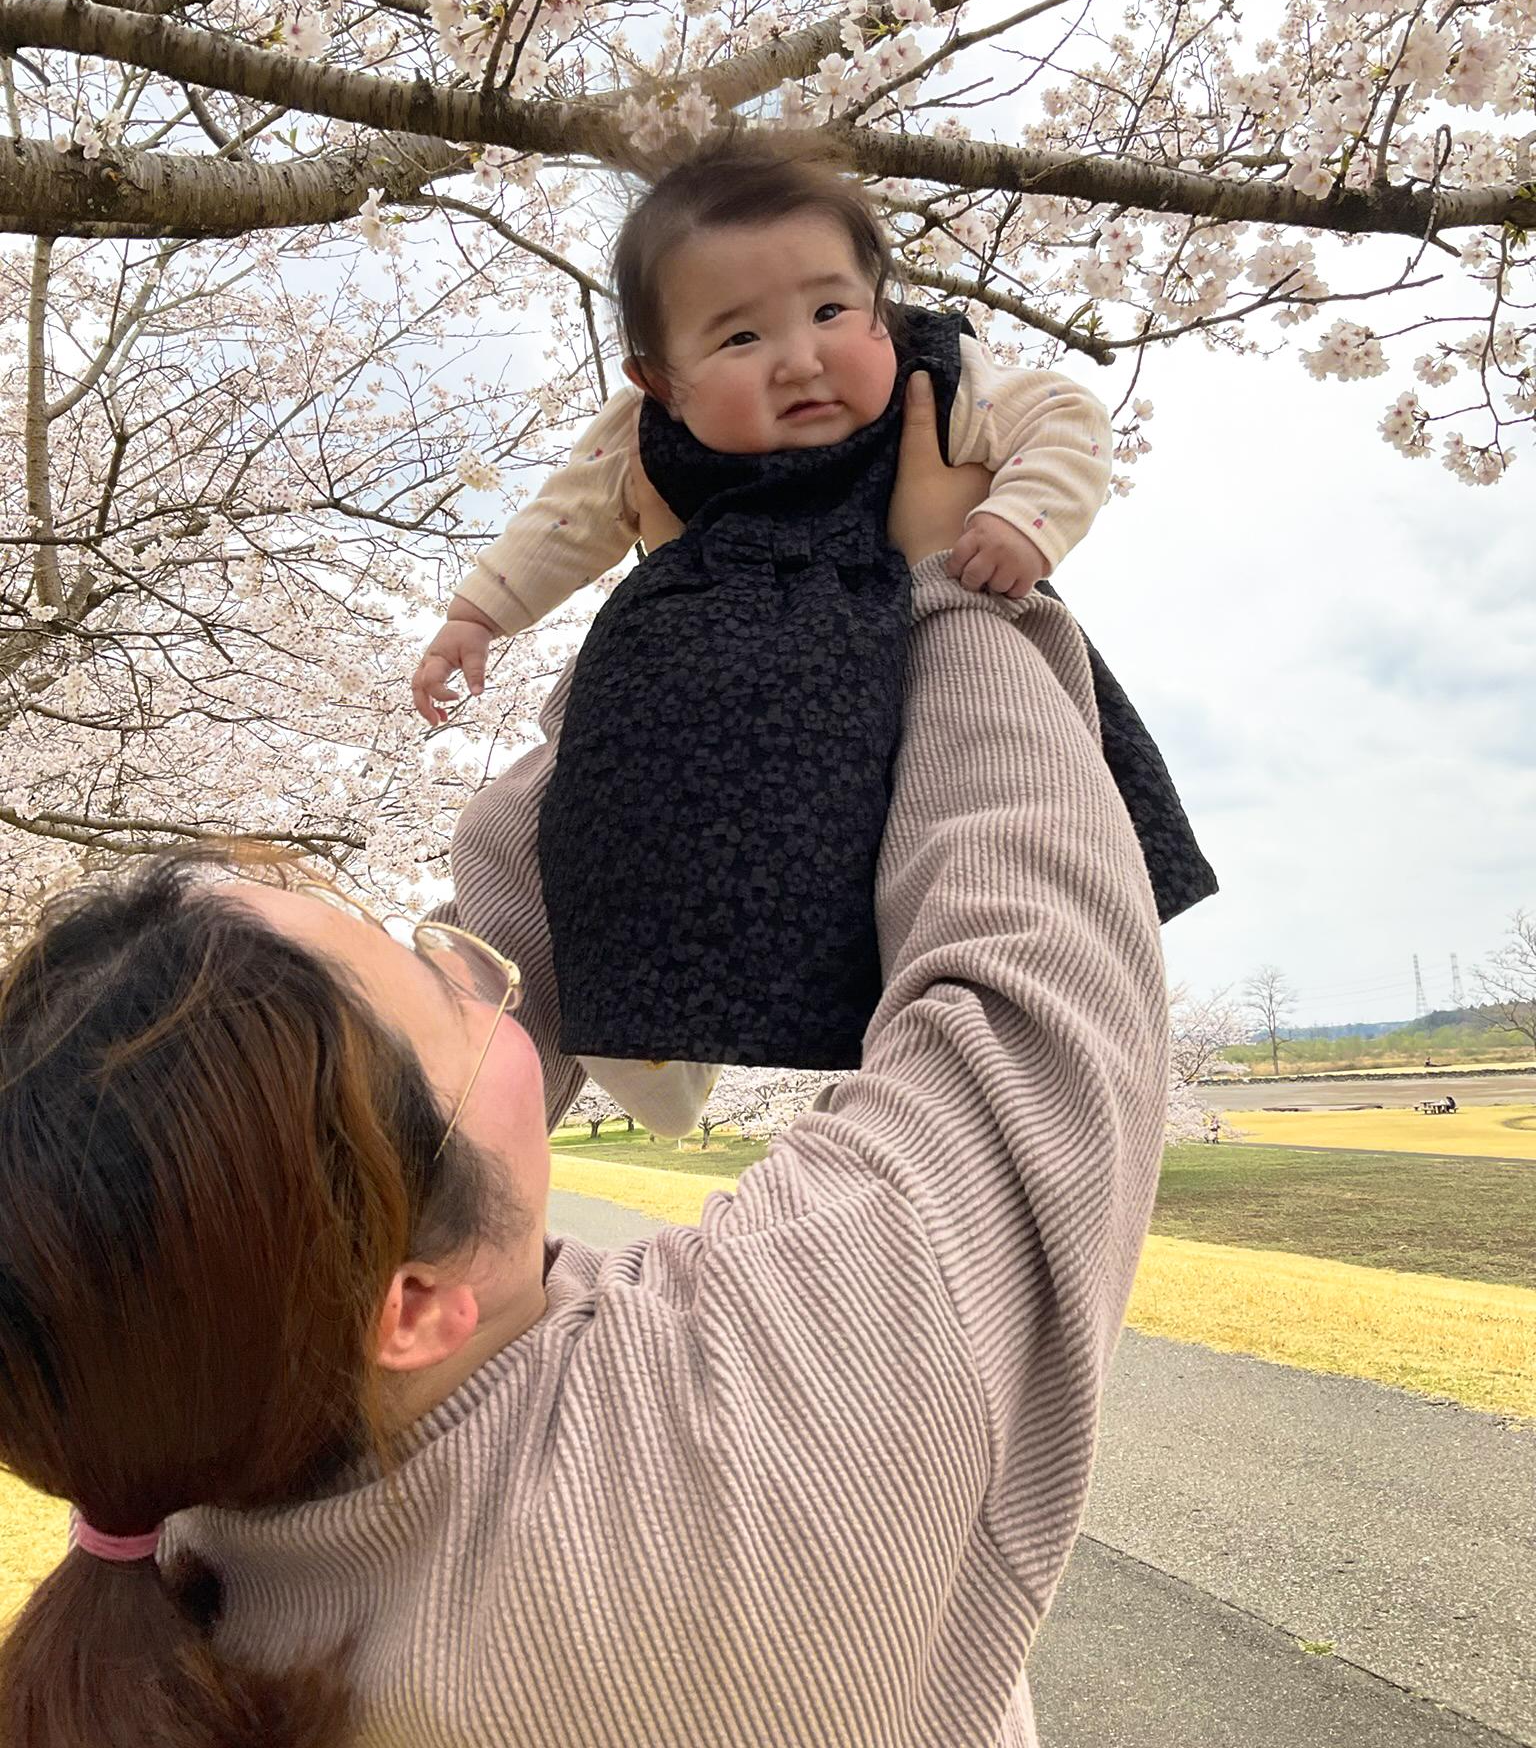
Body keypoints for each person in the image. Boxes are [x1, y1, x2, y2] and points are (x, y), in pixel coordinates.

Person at [0, 380, 1170, 1748]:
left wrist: (679, 615)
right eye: (433, 992)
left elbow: (511, 962)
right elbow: (1030, 1002)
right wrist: (946, 582)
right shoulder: (742, 1427)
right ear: (415, 1302)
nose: (464, 957)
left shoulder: (201, 1457)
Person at [412, 134, 1213, 1133]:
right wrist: (476, 613)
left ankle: (912, 1051)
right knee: (538, 816)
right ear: (661, 378)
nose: (801, 359)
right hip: (693, 676)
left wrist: (1021, 519)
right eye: (739, 339)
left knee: (931, 838)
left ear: (883, 303)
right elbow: (566, 517)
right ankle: (639, 1023)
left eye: (833, 311)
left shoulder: (944, 379)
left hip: (899, 651)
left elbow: (1065, 417)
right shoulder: (643, 435)